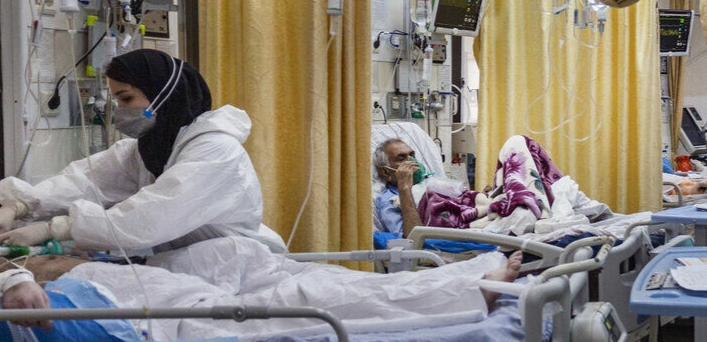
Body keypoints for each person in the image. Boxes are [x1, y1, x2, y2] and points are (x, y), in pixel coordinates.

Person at [0, 49, 285, 253]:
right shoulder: (147, 151)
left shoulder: (215, 151)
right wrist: (18, 205)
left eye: (126, 98)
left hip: (236, 264)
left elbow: (150, 216)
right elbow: (85, 181)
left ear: (164, 95)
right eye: (117, 100)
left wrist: (55, 228)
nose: (119, 111)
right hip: (190, 265)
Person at [0, 236, 525, 339]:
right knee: (298, 300)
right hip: (131, 300)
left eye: (126, 98)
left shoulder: (200, 145)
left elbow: (141, 216)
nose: (122, 111)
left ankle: (462, 283)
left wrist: (17, 271)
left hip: (127, 280)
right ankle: (465, 288)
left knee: (308, 288)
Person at [373, 138, 423, 246]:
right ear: (386, 172)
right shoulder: (389, 200)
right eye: (401, 159)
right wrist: (405, 189)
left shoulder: (430, 184)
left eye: (412, 156)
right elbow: (413, 241)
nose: (412, 162)